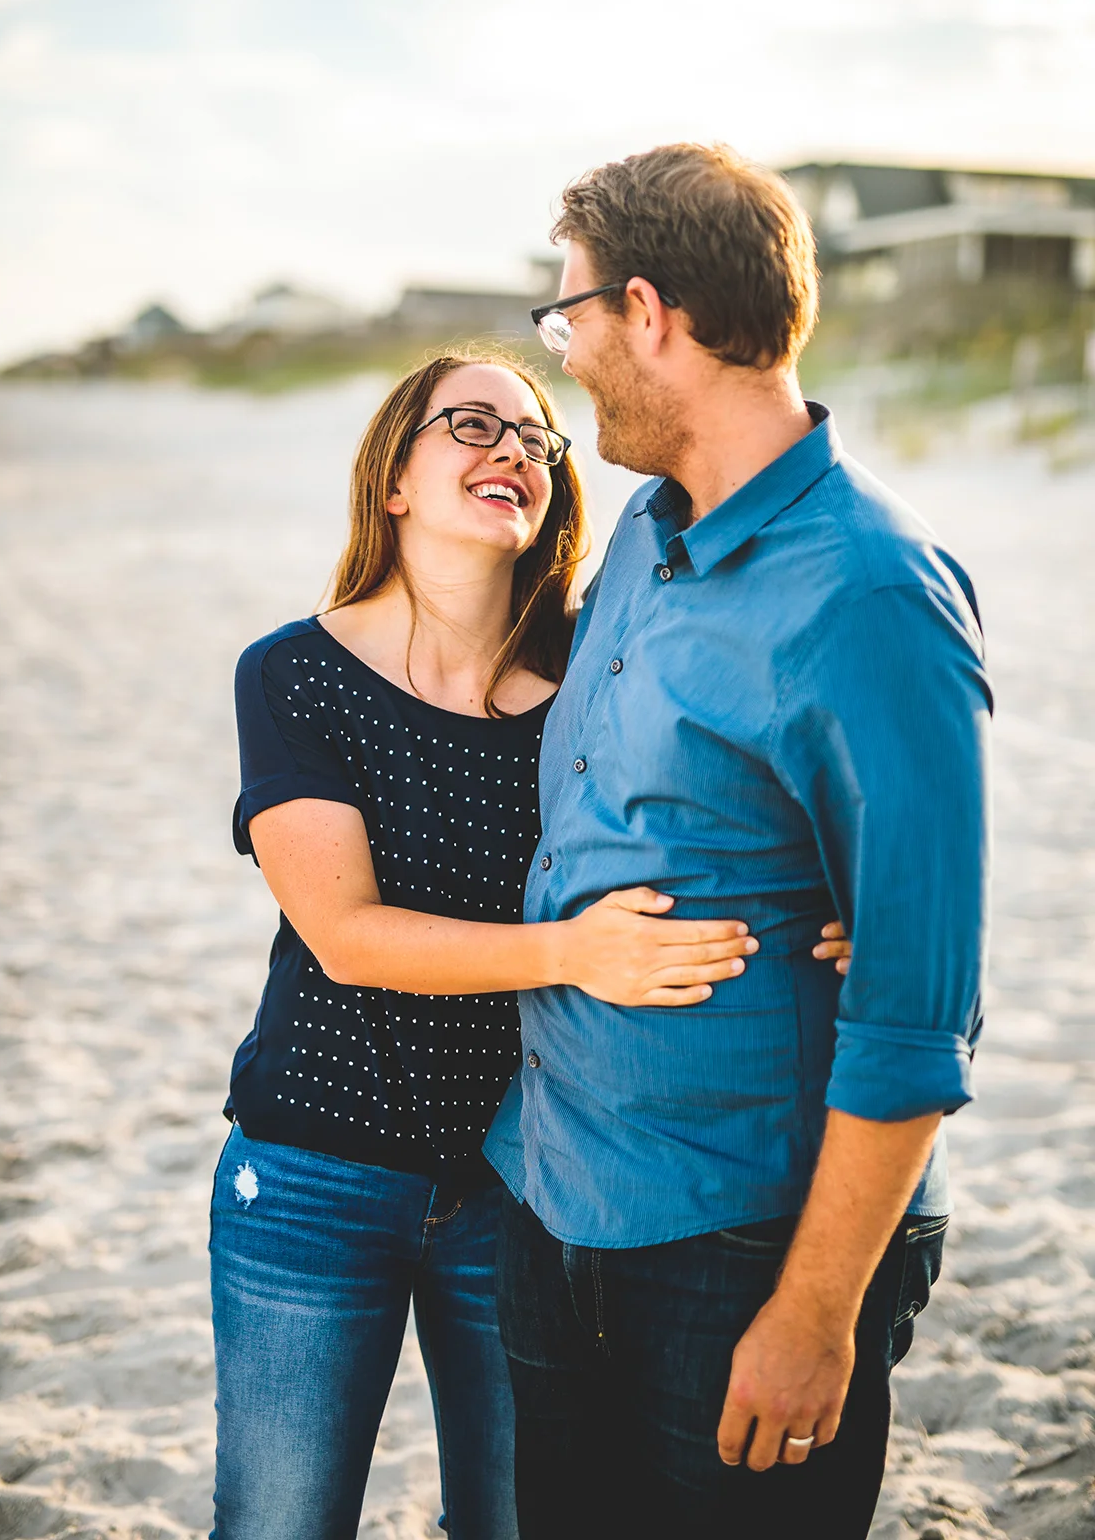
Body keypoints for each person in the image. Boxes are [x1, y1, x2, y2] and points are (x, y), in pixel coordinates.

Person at [210, 349, 849, 1540]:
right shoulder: (293, 673)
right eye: (473, 426)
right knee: (280, 1524)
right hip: (312, 1175)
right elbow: (344, 936)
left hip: (524, 1183)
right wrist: (570, 956)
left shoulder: (586, 685)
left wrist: (839, 905)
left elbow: (718, 806)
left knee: (513, 1524)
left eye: (541, 440)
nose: (517, 452)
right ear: (392, 478)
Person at [486, 143, 992, 1540]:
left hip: (744, 1252)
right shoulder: (646, 529)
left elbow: (918, 1006)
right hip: (560, 1200)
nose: (567, 353)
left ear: (648, 312)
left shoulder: (872, 592)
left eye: (569, 316)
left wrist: (814, 1316)